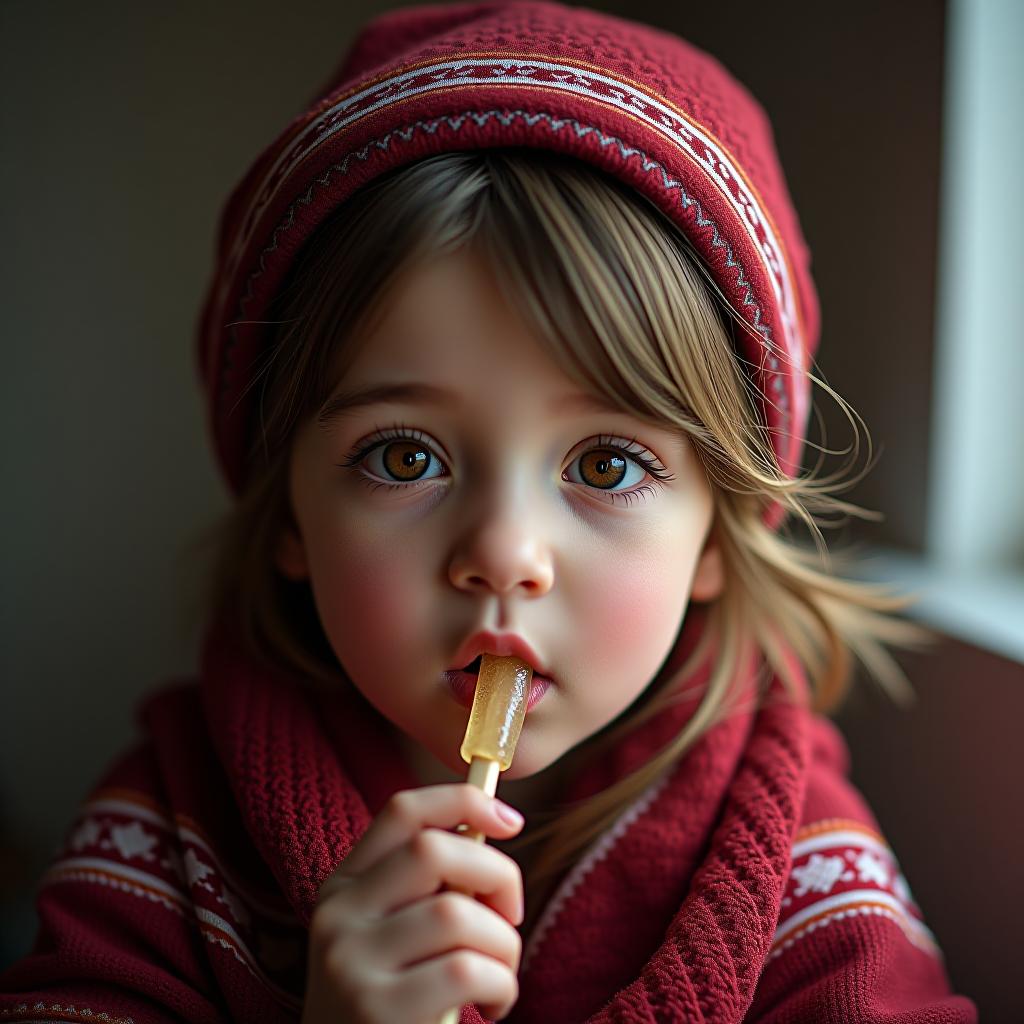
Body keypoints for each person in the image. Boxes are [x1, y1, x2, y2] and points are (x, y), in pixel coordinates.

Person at [0, 2, 978, 1021]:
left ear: (716, 537)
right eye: (404, 455)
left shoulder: (798, 859)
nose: (504, 553)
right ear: (287, 513)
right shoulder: (173, 822)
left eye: (605, 465)